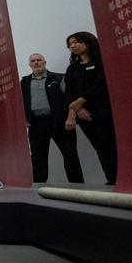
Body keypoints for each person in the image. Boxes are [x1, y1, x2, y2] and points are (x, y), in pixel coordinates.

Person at [20, 53, 84, 184]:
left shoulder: (59, 78)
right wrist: (23, 118)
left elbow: (70, 98)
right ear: (29, 64)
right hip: (36, 124)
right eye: (33, 61)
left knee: (70, 155)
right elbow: (18, 102)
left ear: (45, 62)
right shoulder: (24, 82)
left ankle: (77, 186)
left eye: (39, 60)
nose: (36, 63)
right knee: (38, 158)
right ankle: (38, 188)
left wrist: (71, 118)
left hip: (60, 122)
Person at [64, 32, 117, 185]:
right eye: (70, 44)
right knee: (100, 148)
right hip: (84, 115)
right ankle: (112, 180)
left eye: (76, 42)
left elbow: (101, 84)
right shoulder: (72, 68)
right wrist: (77, 109)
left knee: (111, 145)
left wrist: (81, 100)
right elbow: (69, 92)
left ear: (88, 42)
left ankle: (122, 179)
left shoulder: (102, 61)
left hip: (105, 111)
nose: (73, 46)